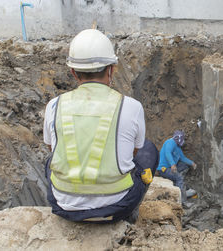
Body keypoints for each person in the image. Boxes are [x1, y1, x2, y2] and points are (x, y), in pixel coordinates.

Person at [43, 29, 158, 223]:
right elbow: (135, 152)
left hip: (64, 206)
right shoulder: (130, 106)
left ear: (73, 72)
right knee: (149, 150)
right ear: (111, 69)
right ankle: (131, 214)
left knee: (50, 160)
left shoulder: (54, 105)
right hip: (117, 206)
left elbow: (51, 148)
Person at [156, 130, 197, 206]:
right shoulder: (170, 142)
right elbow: (168, 152)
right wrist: (173, 164)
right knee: (179, 178)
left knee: (185, 166)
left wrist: (192, 163)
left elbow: (183, 158)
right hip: (163, 169)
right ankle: (183, 202)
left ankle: (178, 185)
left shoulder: (178, 148)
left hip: (170, 167)